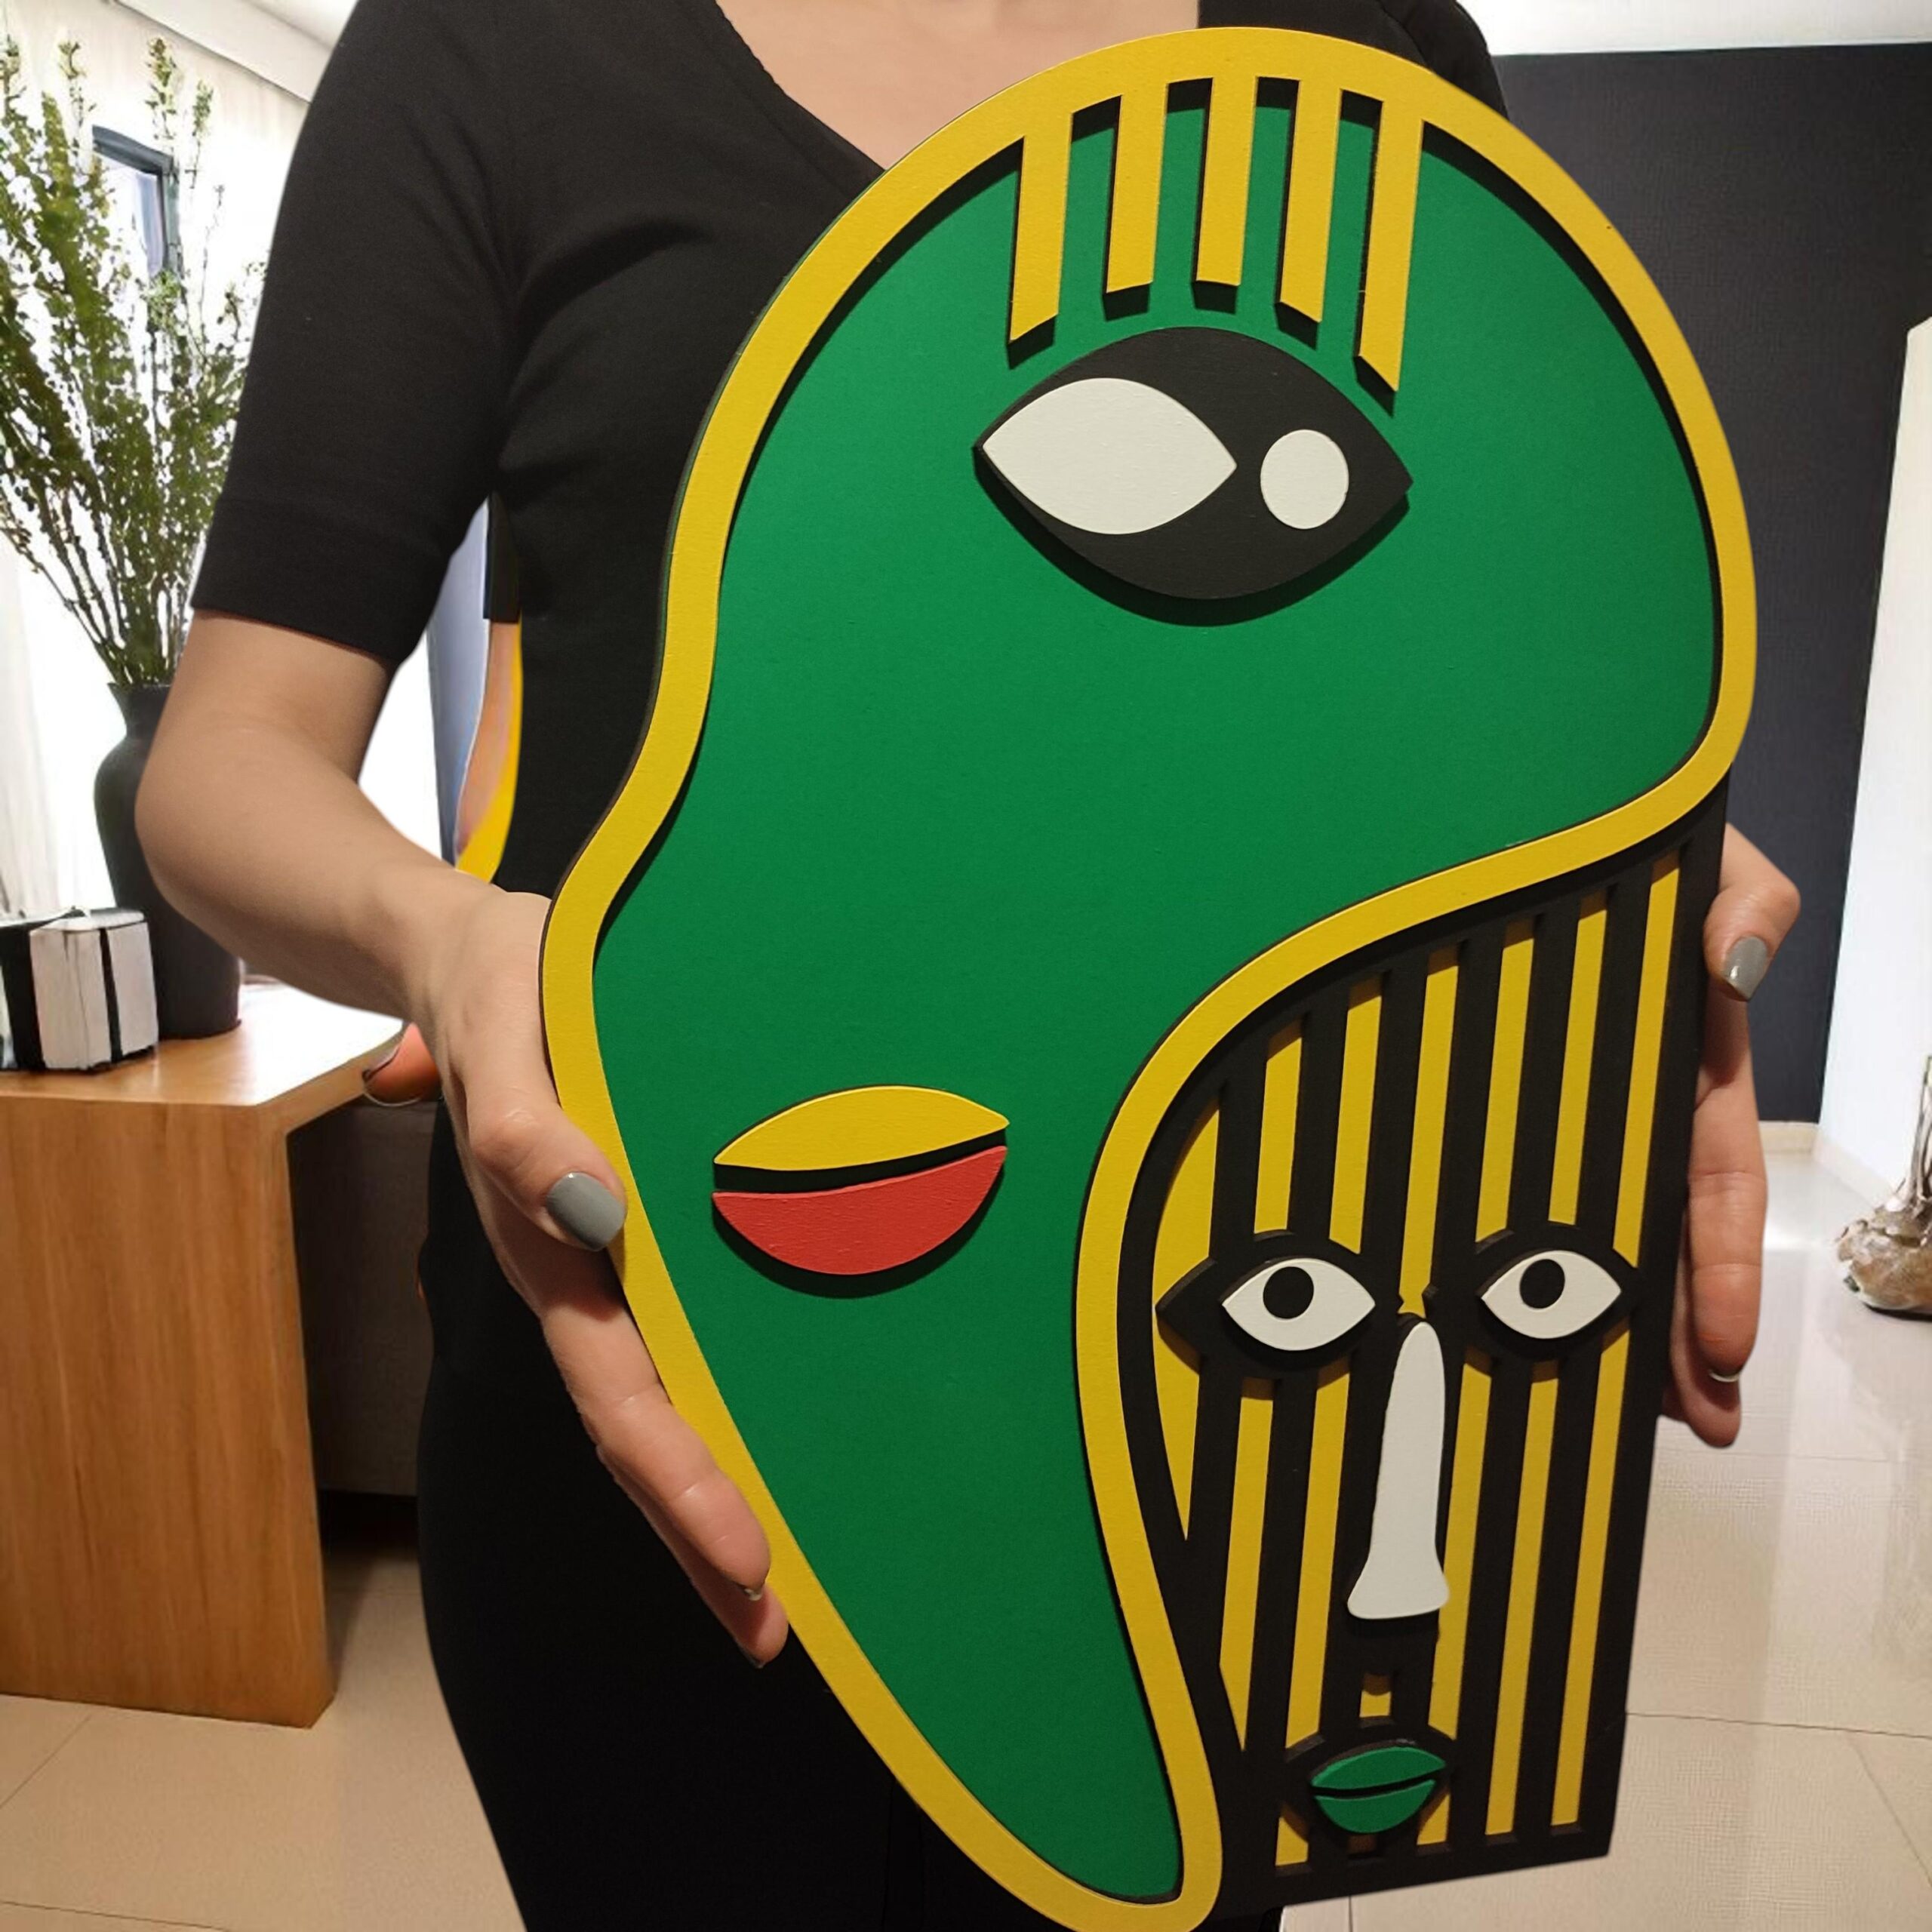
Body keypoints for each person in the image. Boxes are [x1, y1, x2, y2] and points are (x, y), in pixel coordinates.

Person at [136, 2, 1801, 1924]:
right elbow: (227, 759)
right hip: (652, 1368)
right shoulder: (490, 43)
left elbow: (1455, 666)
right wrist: (445, 934)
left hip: (1225, 1401)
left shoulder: (1370, 45)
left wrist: (1617, 869)